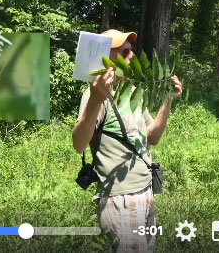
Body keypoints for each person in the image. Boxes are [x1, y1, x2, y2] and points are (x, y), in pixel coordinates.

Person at [72, 29, 182, 252]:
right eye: (124, 51)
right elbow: (78, 144)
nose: (131, 55)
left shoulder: (132, 91)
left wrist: (167, 101)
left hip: (145, 191)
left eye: (131, 50)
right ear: (106, 57)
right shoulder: (95, 95)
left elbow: (153, 136)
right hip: (121, 199)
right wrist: (95, 99)